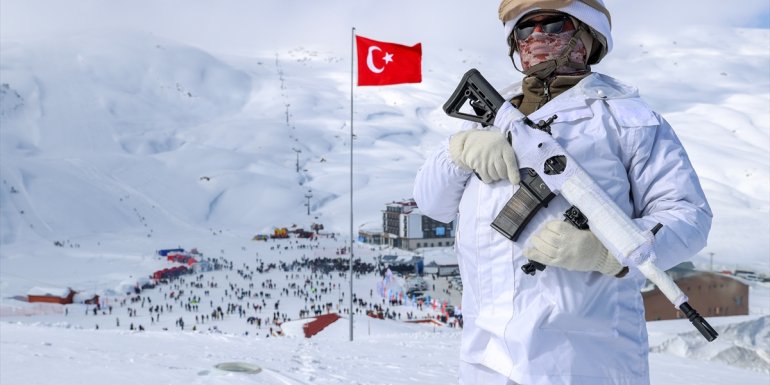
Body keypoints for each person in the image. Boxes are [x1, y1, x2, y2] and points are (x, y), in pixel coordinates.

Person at [413, 1, 712, 384]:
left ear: (587, 37)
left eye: (554, 24)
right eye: (525, 29)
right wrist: (458, 152)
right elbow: (431, 204)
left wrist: (607, 252)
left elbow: (688, 216)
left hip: (585, 360)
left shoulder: (627, 120)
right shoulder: (493, 117)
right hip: (485, 358)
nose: (537, 36)